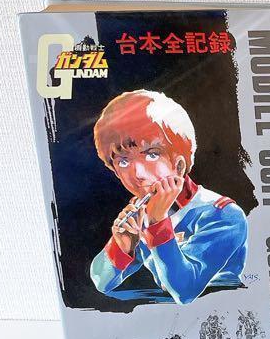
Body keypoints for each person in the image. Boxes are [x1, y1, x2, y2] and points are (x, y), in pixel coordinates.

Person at [88, 90, 248, 305]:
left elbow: (186, 291)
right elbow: (101, 281)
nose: (138, 173)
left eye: (152, 154)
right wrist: (122, 245)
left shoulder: (222, 214)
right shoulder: (142, 211)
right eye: (123, 161)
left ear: (179, 165)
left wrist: (157, 224)